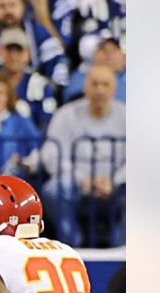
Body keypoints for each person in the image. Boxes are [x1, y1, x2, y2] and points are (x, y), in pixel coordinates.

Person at [40, 64, 125, 246]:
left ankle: (121, 248)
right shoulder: (66, 115)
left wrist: (115, 180)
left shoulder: (128, 116)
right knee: (54, 189)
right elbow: (51, 154)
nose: (100, 90)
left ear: (114, 89)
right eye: (94, 84)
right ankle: (72, 244)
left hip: (115, 187)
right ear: (85, 87)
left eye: (105, 84)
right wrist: (82, 180)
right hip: (76, 185)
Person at [0, 0, 67, 93]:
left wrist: (46, 88)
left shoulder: (38, 32)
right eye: (1, 6)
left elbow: (59, 69)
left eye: (12, 5)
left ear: (23, 6)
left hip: (30, 95)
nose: (8, 11)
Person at [0, 27, 57, 130]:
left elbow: (48, 123)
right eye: (9, 50)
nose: (13, 57)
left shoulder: (40, 85)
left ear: (28, 54)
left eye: (19, 51)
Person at [63, 31, 125, 103]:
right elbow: (78, 104)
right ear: (92, 55)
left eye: (114, 50)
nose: (109, 56)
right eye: (103, 50)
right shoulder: (81, 77)